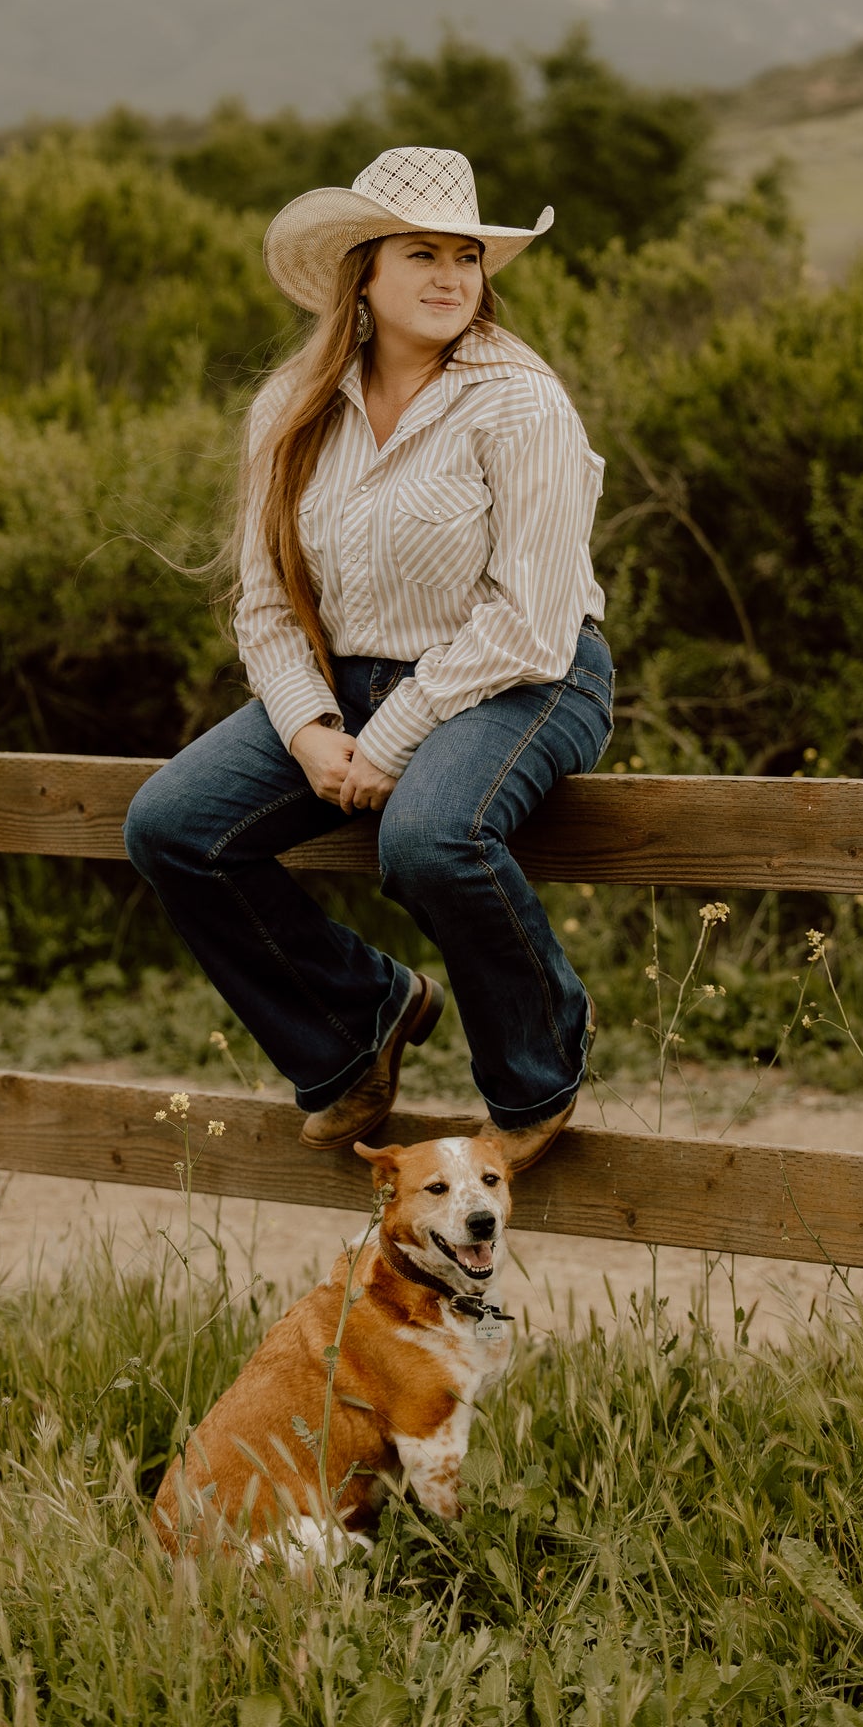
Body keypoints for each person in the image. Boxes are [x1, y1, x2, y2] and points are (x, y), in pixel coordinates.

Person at [124, 146, 612, 1172]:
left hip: (527, 675)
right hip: (347, 682)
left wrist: (387, 737)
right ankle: (357, 1025)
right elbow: (263, 603)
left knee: (429, 837)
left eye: (468, 257)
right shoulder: (292, 409)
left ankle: (538, 1068)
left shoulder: (519, 402)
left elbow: (531, 617)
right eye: (422, 253)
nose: (451, 278)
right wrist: (307, 730)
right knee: (173, 827)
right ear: (363, 272)